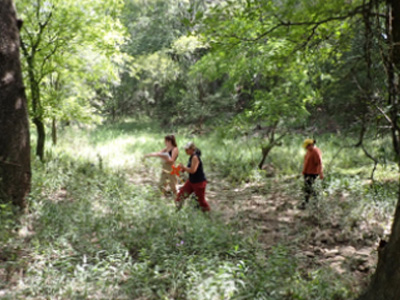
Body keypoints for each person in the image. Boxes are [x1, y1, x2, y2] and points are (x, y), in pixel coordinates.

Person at [176, 142, 210, 212]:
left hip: (199, 183)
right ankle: (177, 211)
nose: (186, 151)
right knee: (180, 196)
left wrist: (184, 168)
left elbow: (193, 170)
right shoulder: (191, 157)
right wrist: (183, 169)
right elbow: (190, 168)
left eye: (187, 150)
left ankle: (209, 215)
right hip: (191, 181)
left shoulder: (195, 157)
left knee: (201, 201)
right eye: (185, 150)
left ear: (192, 149)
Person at [300, 138, 323, 209]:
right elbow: (306, 162)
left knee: (310, 188)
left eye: (307, 146)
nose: (306, 148)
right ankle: (308, 204)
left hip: (313, 173)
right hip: (307, 173)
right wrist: (303, 172)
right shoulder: (308, 151)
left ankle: (314, 204)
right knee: (307, 188)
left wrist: (321, 173)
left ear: (311, 145)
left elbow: (319, 163)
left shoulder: (316, 151)